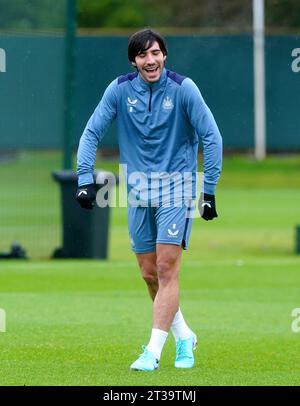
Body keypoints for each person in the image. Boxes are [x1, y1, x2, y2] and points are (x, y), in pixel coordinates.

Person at [76, 28, 222, 371]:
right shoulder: (119, 90)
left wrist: (209, 190)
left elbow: (211, 137)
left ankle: (153, 352)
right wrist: (85, 179)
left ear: (164, 55)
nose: (150, 60)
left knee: (166, 267)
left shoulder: (184, 89)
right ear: (134, 60)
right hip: (138, 191)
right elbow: (92, 131)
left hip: (178, 187)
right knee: (148, 274)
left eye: (155, 52)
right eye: (143, 55)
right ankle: (185, 335)